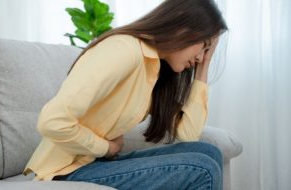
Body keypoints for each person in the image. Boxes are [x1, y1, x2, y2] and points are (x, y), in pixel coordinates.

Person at [24, 0, 228, 189]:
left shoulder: (154, 68)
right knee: (202, 168)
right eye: (203, 46)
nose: (201, 57)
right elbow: (52, 121)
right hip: (66, 171)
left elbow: (188, 134)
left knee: (208, 152)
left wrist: (204, 68)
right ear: (182, 26)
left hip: (95, 164)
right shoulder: (124, 49)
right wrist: (106, 148)